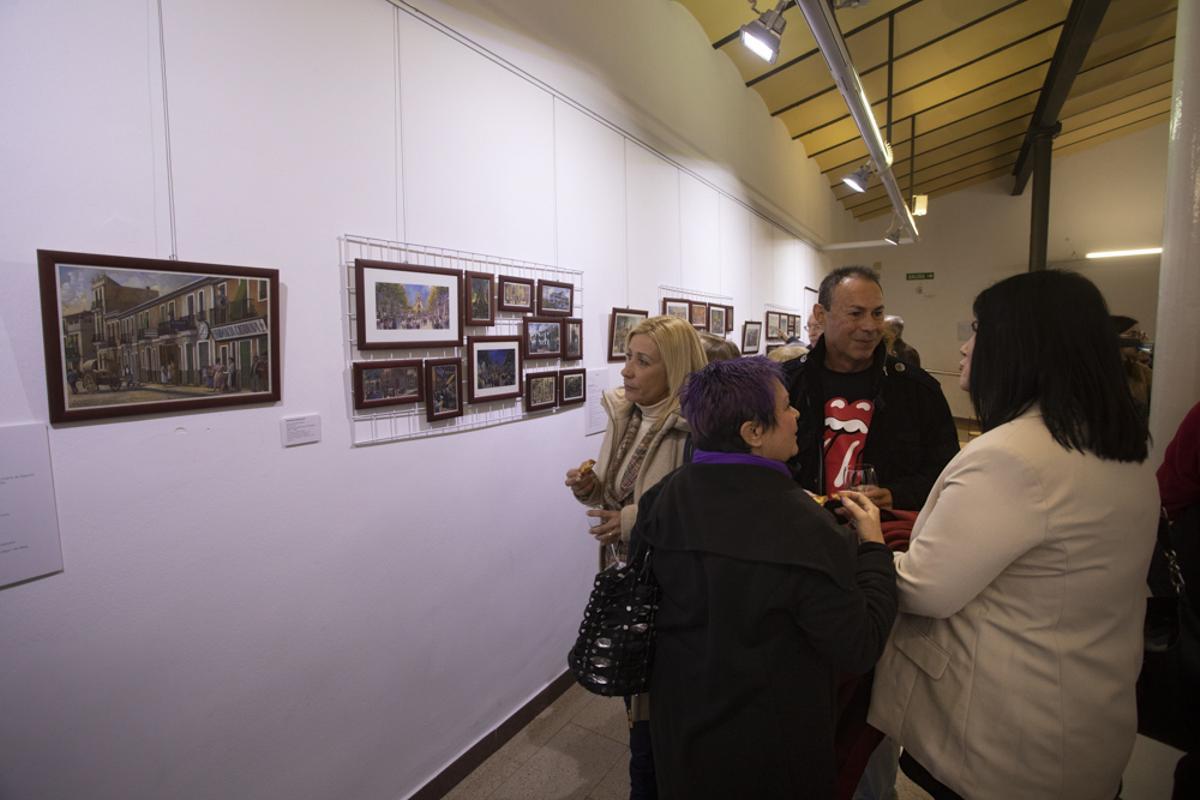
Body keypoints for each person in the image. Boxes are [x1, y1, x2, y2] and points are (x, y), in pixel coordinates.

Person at [868, 270, 1158, 800]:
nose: (964, 345)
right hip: (1083, 719)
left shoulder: (1014, 455)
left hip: (1000, 742)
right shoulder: (1120, 444)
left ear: (1019, 344)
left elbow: (923, 589)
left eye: (977, 329)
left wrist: (868, 542)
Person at [639, 357, 897, 799]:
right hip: (771, 744)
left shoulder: (662, 496)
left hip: (680, 726)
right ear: (753, 433)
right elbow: (857, 644)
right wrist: (873, 547)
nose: (797, 415)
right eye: (786, 407)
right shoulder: (806, 527)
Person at [564, 314, 707, 799]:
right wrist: (590, 488)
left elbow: (695, 513)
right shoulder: (625, 415)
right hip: (628, 586)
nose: (626, 371)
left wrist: (628, 521)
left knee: (656, 725)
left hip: (669, 593)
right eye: (627, 357)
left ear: (677, 369)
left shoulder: (695, 431)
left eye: (642, 361)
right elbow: (612, 490)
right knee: (637, 707)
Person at [783, 265, 959, 511]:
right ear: (821, 315)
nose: (870, 326)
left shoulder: (917, 390)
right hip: (802, 529)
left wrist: (896, 495)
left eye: (877, 313)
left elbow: (946, 471)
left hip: (887, 538)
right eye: (855, 313)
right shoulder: (786, 385)